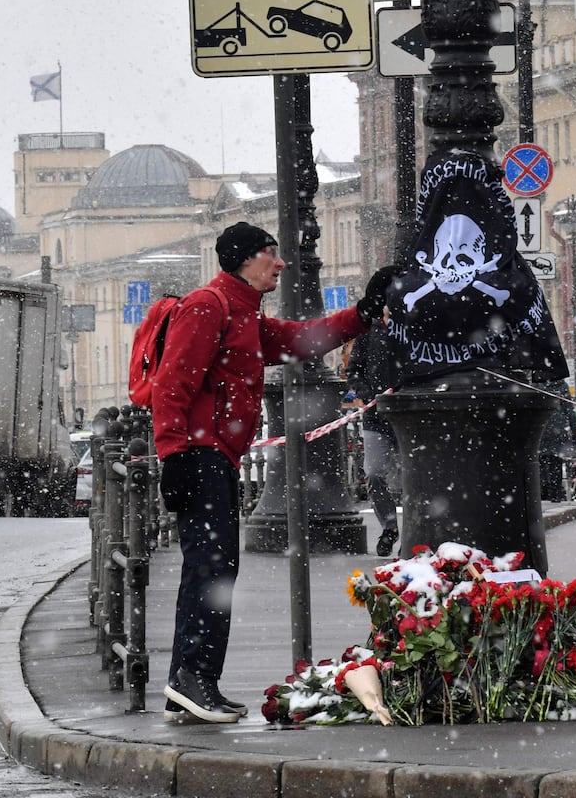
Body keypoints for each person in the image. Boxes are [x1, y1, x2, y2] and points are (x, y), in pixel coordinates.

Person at [154, 221, 396, 724]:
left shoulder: (242, 312)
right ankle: (191, 682)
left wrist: (362, 316)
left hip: (214, 455)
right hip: (200, 457)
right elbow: (173, 383)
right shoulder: (209, 306)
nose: (281, 263)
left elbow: (300, 341)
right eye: (271, 254)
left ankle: (194, 683)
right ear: (246, 259)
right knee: (210, 569)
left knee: (216, 569)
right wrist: (174, 453)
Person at [345, 311, 404, 556]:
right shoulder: (368, 331)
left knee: (413, 478)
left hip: (407, 414)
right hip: (375, 416)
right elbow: (354, 370)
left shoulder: (411, 325)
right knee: (374, 473)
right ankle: (389, 527)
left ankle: (415, 534)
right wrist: (368, 394)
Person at [538, 380, 576, 503]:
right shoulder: (562, 386)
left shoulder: (538, 384)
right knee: (555, 462)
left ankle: (543, 490)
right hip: (558, 429)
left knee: (541, 460)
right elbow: (569, 412)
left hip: (541, 427)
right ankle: (555, 493)